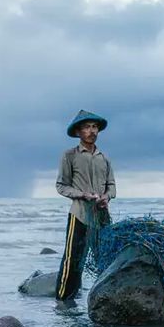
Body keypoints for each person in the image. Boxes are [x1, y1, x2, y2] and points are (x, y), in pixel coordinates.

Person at [54, 109, 116, 300]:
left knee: (105, 257)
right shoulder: (69, 155)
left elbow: (112, 186)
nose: (92, 131)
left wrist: (107, 197)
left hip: (102, 216)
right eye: (87, 127)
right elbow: (61, 186)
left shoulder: (104, 158)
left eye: (95, 127)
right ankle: (63, 301)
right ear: (78, 132)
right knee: (72, 259)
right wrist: (81, 194)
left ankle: (103, 299)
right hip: (79, 214)